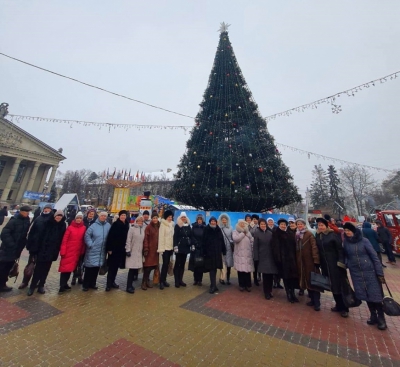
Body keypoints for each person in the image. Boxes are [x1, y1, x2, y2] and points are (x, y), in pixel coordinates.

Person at [343, 222, 387, 330]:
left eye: (349, 230)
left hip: (369, 271)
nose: (347, 233)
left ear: (353, 231)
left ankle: (381, 318)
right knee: (365, 294)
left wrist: (379, 272)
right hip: (356, 273)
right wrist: (348, 263)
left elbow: (374, 256)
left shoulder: (364, 241)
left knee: (375, 295)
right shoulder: (346, 243)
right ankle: (373, 315)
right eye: (345, 231)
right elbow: (346, 256)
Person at [27, 210, 67, 295]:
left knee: (46, 270)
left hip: (52, 252)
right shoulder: (47, 223)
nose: (59, 217)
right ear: (54, 216)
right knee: (38, 269)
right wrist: (35, 249)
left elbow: (61, 239)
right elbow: (40, 237)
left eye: (60, 216)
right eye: (57, 216)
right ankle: (32, 286)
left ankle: (41, 285)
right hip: (43, 250)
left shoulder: (63, 225)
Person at [315, 217, 349, 317]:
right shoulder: (318, 235)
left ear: (326, 226)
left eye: (322, 225)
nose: (320, 227)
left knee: (339, 286)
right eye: (319, 225)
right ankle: (338, 304)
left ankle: (344, 307)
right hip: (325, 265)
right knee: (333, 286)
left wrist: (341, 262)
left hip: (335, 265)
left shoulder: (333, 235)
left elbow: (340, 250)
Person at [21, 204, 54, 289]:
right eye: (45, 208)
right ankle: (25, 281)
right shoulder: (38, 218)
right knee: (30, 265)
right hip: (34, 247)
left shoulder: (52, 220)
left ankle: (36, 282)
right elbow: (32, 232)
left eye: (48, 209)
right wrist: (29, 243)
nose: (46, 210)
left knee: (40, 267)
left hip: (44, 248)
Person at [0, 205, 31, 292]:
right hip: (7, 249)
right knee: (2, 267)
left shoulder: (27, 221)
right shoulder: (14, 220)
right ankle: (1, 284)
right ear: (21, 211)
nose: (27, 213)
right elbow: (4, 234)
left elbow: (23, 235)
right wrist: (11, 244)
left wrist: (23, 243)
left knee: (8, 267)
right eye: (26, 211)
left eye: (28, 212)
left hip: (16, 250)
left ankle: (2, 284)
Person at [295, 218, 321, 311]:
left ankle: (317, 302)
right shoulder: (297, 235)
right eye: (298, 224)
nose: (299, 226)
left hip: (310, 261)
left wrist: (316, 260)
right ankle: (312, 300)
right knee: (307, 280)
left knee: (313, 281)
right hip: (301, 262)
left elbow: (314, 247)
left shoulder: (309, 234)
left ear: (304, 225)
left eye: (301, 224)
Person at [271, 218, 299, 303]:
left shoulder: (290, 233)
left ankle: (293, 293)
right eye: (281, 224)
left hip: (291, 259)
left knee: (293, 277)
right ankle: (289, 294)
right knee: (286, 278)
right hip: (283, 260)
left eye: (284, 224)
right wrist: (278, 259)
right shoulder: (276, 233)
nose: (283, 226)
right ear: (279, 225)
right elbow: (275, 248)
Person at [82, 211, 111, 291]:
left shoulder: (108, 226)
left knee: (96, 268)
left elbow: (110, 236)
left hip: (102, 250)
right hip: (93, 249)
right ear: (99, 216)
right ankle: (86, 285)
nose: (103, 217)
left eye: (105, 216)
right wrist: (91, 244)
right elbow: (87, 236)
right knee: (89, 268)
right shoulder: (93, 226)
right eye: (102, 216)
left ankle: (93, 283)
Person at [58, 212, 86, 292]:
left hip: (76, 253)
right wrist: (63, 251)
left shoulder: (83, 228)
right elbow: (64, 240)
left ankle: (65, 284)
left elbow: (83, 241)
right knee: (64, 269)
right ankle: (62, 285)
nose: (79, 220)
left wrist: (82, 251)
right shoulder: (70, 228)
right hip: (68, 251)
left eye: (80, 218)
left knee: (70, 269)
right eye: (77, 218)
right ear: (75, 219)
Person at [105, 210, 130, 291]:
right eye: (122, 215)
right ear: (119, 216)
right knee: (112, 267)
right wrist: (109, 248)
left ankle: (113, 282)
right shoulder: (115, 224)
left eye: (124, 215)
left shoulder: (127, 224)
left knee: (116, 267)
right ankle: (108, 284)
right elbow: (110, 237)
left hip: (121, 249)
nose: (123, 217)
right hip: (114, 249)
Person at [253, 218, 277, 300]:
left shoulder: (270, 233)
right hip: (262, 257)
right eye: (261, 224)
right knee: (265, 276)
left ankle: (270, 290)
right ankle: (266, 292)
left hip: (270, 257)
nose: (263, 225)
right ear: (259, 225)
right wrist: (256, 257)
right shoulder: (257, 233)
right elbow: (255, 247)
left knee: (270, 275)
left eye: (264, 224)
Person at [203, 216, 225, 294]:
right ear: (210, 222)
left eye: (214, 221)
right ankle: (213, 286)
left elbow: (222, 240)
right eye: (212, 221)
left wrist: (223, 250)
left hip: (217, 253)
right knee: (212, 269)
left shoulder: (218, 229)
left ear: (216, 222)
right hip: (210, 253)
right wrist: (204, 252)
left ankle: (214, 285)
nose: (213, 222)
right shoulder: (206, 229)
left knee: (215, 269)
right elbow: (204, 241)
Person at [125, 215, 145, 294]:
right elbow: (128, 239)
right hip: (132, 251)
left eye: (141, 221)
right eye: (139, 221)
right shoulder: (132, 229)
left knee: (135, 270)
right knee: (131, 269)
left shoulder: (143, 229)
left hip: (139, 252)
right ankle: (128, 286)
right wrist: (128, 249)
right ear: (136, 221)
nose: (140, 222)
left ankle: (131, 285)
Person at [232, 219, 254, 292]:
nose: (242, 225)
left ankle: (248, 285)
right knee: (240, 271)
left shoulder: (248, 232)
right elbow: (235, 239)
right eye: (241, 223)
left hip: (247, 254)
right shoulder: (235, 232)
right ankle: (241, 285)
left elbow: (252, 240)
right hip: (239, 255)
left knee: (247, 271)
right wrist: (242, 234)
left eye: (243, 223)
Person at [173, 212, 193, 288]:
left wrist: (191, 244)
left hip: (186, 247)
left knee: (183, 264)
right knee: (177, 264)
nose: (183, 218)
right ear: (180, 218)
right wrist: (175, 246)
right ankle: (176, 281)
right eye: (182, 217)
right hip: (179, 247)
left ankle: (181, 280)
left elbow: (191, 236)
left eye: (184, 217)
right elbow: (175, 236)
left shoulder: (188, 226)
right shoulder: (177, 226)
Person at [142, 211, 160, 290]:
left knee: (153, 266)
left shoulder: (159, 226)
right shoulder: (149, 227)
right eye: (153, 218)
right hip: (150, 250)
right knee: (147, 267)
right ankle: (144, 282)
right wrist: (146, 248)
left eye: (156, 218)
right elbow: (145, 238)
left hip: (156, 250)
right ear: (151, 219)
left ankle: (147, 282)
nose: (155, 219)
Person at [158, 210, 175, 290]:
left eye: (171, 217)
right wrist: (161, 249)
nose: (170, 218)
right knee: (164, 265)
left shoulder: (172, 225)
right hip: (164, 248)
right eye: (169, 217)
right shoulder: (163, 225)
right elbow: (161, 237)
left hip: (170, 248)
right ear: (166, 217)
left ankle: (164, 280)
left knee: (167, 264)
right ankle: (161, 281)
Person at [189, 213, 206, 286]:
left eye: (201, 219)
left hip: (201, 248)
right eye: (198, 219)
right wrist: (195, 243)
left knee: (201, 264)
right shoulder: (193, 227)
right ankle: (195, 279)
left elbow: (205, 237)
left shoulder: (205, 227)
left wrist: (202, 243)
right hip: (195, 248)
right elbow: (191, 236)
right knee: (195, 264)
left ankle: (200, 280)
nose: (199, 221)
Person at [218, 213, 234, 285]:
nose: (224, 221)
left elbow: (232, 237)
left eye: (225, 220)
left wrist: (231, 242)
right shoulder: (219, 228)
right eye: (223, 220)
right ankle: (222, 278)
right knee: (222, 263)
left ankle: (228, 278)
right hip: (221, 247)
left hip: (229, 248)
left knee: (229, 264)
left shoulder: (230, 228)